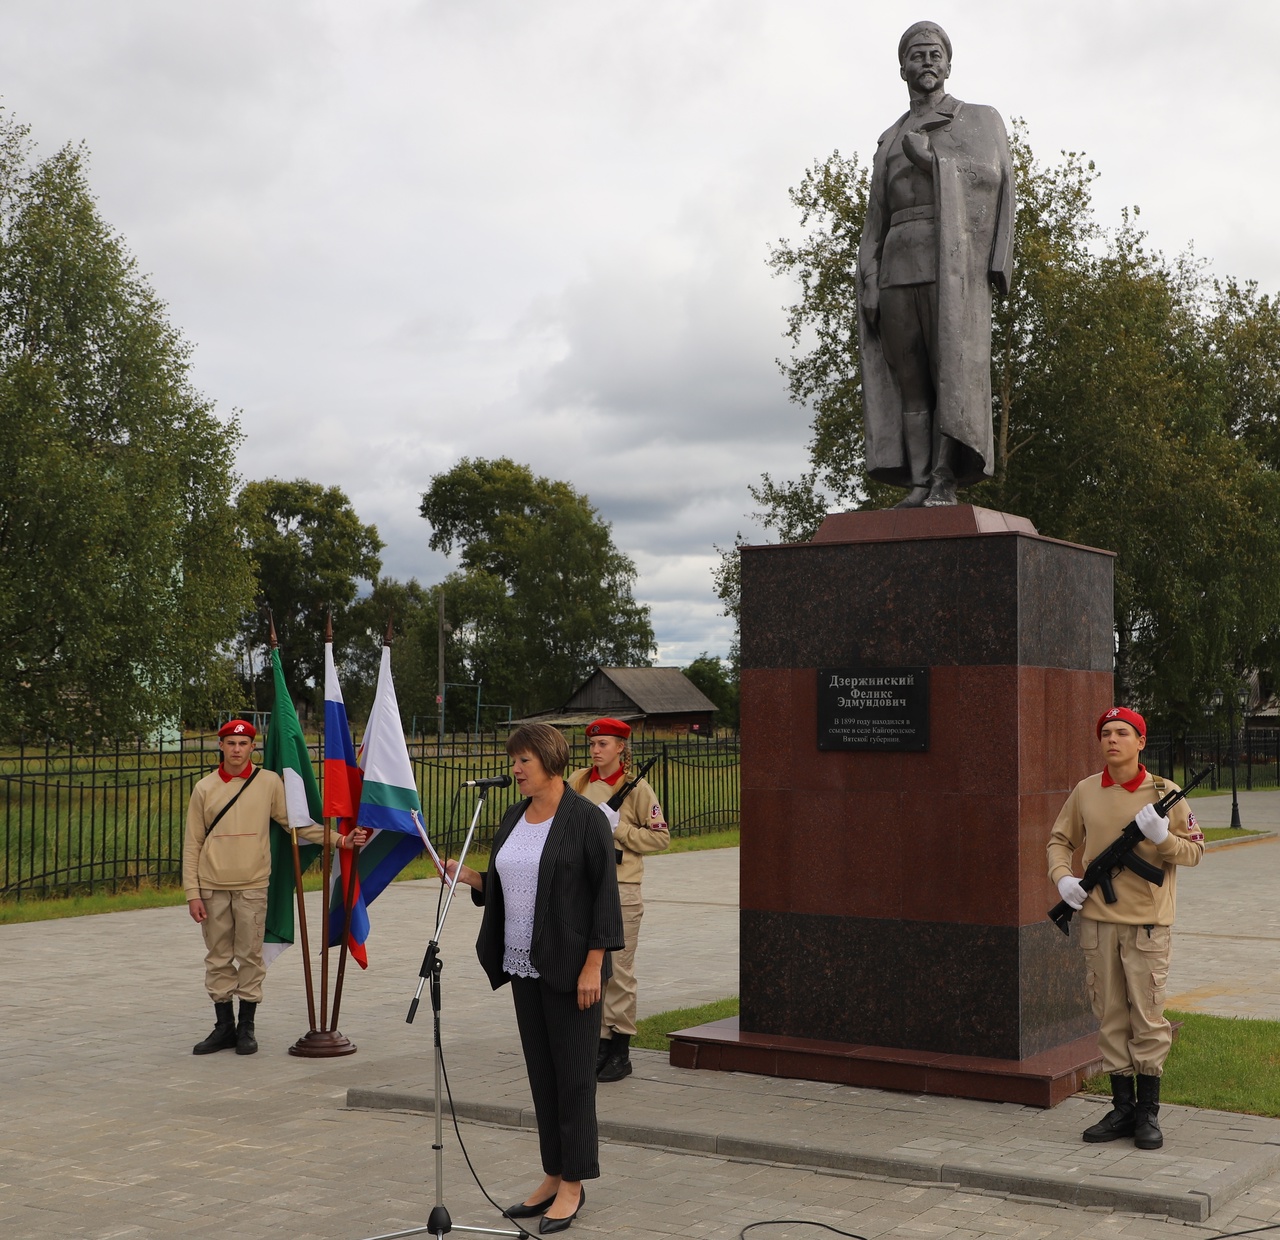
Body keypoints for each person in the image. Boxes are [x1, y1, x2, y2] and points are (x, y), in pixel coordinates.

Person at [446, 723, 623, 1235]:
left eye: (523, 760)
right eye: (514, 760)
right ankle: (553, 1172)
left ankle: (575, 1182)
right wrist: (472, 879)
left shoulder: (585, 819)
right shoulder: (512, 815)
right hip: (522, 963)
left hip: (573, 969)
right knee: (543, 1078)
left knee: (573, 1080)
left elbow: (604, 899)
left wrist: (594, 965)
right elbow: (506, 882)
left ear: (549, 760)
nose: (516, 769)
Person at [856, 21, 1014, 507]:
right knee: (912, 381)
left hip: (953, 266)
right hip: (898, 266)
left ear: (948, 64)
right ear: (902, 67)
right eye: (917, 55)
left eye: (934, 54)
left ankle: (946, 476)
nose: (926, 62)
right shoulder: (888, 137)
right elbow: (874, 218)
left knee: (953, 372)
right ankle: (920, 480)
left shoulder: (976, 119)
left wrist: (932, 163)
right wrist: (868, 277)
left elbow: (994, 181)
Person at [1047, 707, 1204, 1149]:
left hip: (1147, 926)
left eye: (1123, 732)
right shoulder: (1085, 791)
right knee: (1110, 1014)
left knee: (1148, 1016)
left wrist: (1162, 838)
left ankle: (1148, 1114)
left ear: (1140, 742)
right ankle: (1122, 1109)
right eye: (1106, 733)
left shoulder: (1165, 792)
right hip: (1098, 922)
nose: (1112, 739)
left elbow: (1195, 852)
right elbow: (1059, 840)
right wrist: (1063, 877)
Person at [183, 719, 367, 1056]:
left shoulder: (268, 783)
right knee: (218, 958)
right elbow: (192, 844)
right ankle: (223, 1027)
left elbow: (297, 826)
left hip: (252, 885)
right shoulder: (204, 788)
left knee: (250, 956)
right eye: (230, 743)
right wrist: (192, 893)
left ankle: (246, 1028)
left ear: (253, 747)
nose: (236, 750)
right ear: (220, 746)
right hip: (212, 886)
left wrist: (340, 839)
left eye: (243, 744)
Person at [567, 717, 669, 1083]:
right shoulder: (578, 782)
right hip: (583, 886)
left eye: (604, 744)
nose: (596, 751)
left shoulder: (637, 788)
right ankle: (597, 1042)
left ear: (622, 748)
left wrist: (618, 829)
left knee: (619, 971)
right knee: (591, 968)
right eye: (593, 745)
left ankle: (620, 1049)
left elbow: (660, 839)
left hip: (621, 887)